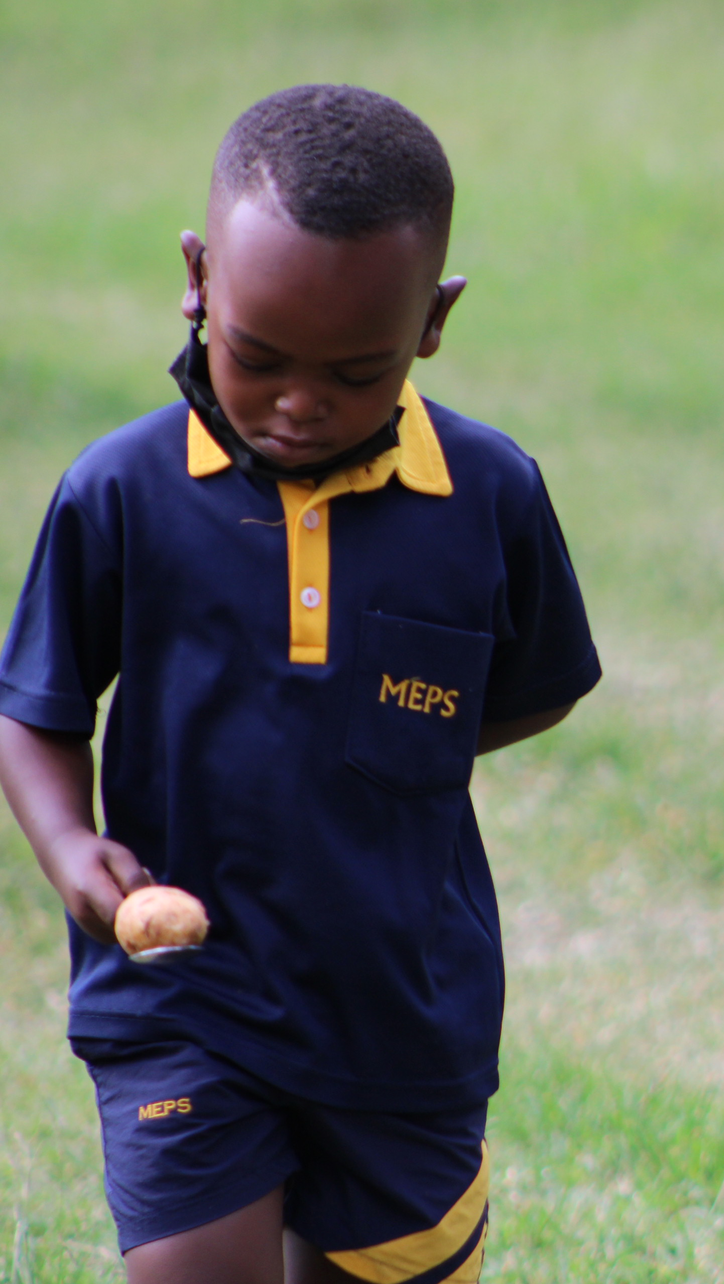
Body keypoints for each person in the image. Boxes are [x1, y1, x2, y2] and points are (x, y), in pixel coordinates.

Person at [0, 85, 601, 1284]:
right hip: (182, 995)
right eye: (257, 357)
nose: (296, 402)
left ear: (432, 322)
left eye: (353, 370)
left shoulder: (485, 495)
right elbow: (36, 706)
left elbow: (538, 682)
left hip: (401, 1013)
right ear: (197, 279)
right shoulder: (122, 490)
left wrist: (390, 740)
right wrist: (70, 848)